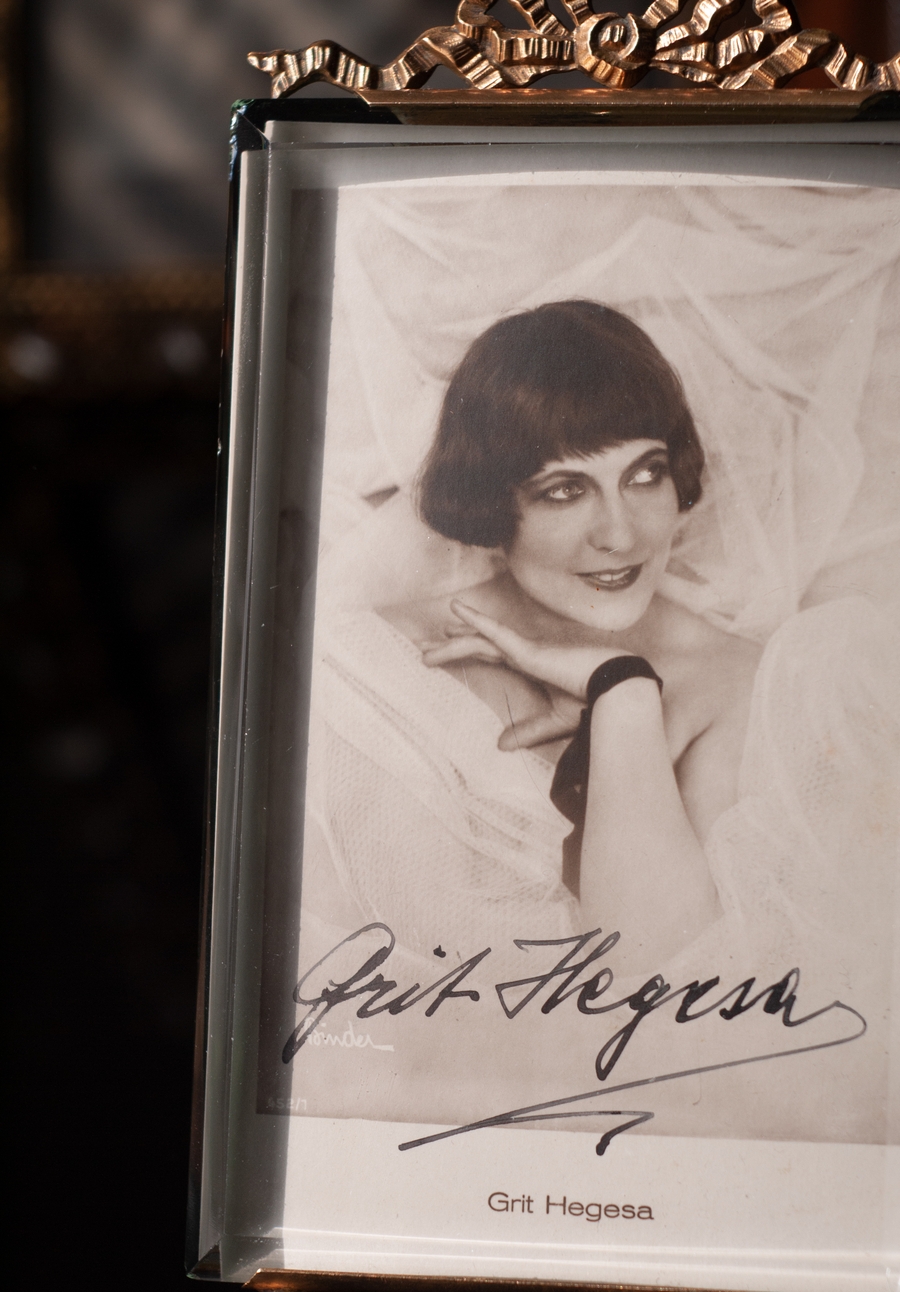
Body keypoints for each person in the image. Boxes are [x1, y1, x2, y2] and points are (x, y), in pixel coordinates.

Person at [296, 300, 897, 1141]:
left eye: (645, 474)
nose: (620, 533)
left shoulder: (739, 680)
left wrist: (623, 694)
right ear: (492, 504)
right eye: (564, 490)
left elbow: (663, 992)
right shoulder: (375, 666)